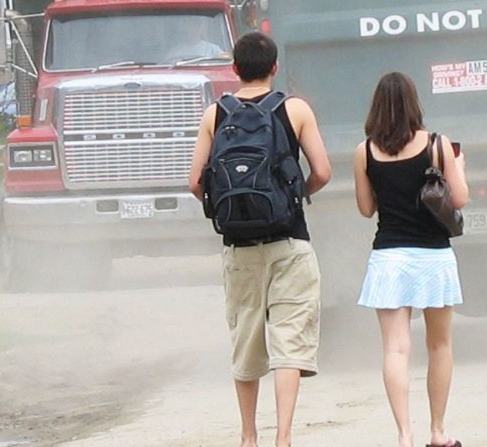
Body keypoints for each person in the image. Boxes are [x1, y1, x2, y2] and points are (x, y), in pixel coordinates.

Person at [188, 31, 331, 447]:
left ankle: (248, 436)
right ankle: (282, 437)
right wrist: (294, 195)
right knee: (288, 340)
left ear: (234, 69)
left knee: (247, 340)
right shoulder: (295, 109)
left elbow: (195, 181)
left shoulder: (215, 114)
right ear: (274, 67)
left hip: (239, 248)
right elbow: (322, 171)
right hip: (290, 242)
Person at [353, 72, 469, 447]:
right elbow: (460, 199)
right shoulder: (437, 146)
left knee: (395, 349)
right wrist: (459, 167)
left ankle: (404, 435)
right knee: (440, 345)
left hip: (389, 256)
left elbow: (366, 208)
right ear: (414, 103)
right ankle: (438, 432)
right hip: (433, 256)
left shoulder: (365, 151)